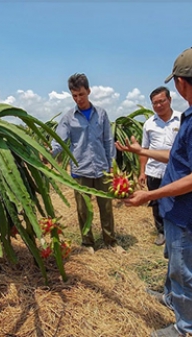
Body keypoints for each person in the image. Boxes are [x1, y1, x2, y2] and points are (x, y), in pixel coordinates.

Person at [115, 47, 192, 336]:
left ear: (180, 83)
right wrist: (141, 150)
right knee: (174, 260)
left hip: (190, 212)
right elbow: (179, 157)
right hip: (178, 208)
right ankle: (171, 298)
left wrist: (150, 196)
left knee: (184, 269)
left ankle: (186, 327)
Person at [51, 73, 125, 255]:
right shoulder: (69, 118)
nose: (78, 99)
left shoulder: (101, 114)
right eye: (74, 96)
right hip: (80, 170)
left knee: (106, 208)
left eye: (81, 94)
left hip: (102, 169)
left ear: (89, 91)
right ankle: (87, 243)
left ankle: (111, 241)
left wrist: (111, 166)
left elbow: (108, 140)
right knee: (83, 210)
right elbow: (58, 141)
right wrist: (48, 154)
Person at [140, 86, 181, 246]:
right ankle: (162, 231)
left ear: (169, 100)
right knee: (156, 202)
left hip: (177, 171)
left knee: (177, 199)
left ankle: (177, 230)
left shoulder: (182, 119)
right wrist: (142, 172)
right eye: (154, 103)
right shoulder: (149, 124)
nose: (158, 105)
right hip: (154, 171)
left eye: (161, 101)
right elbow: (144, 150)